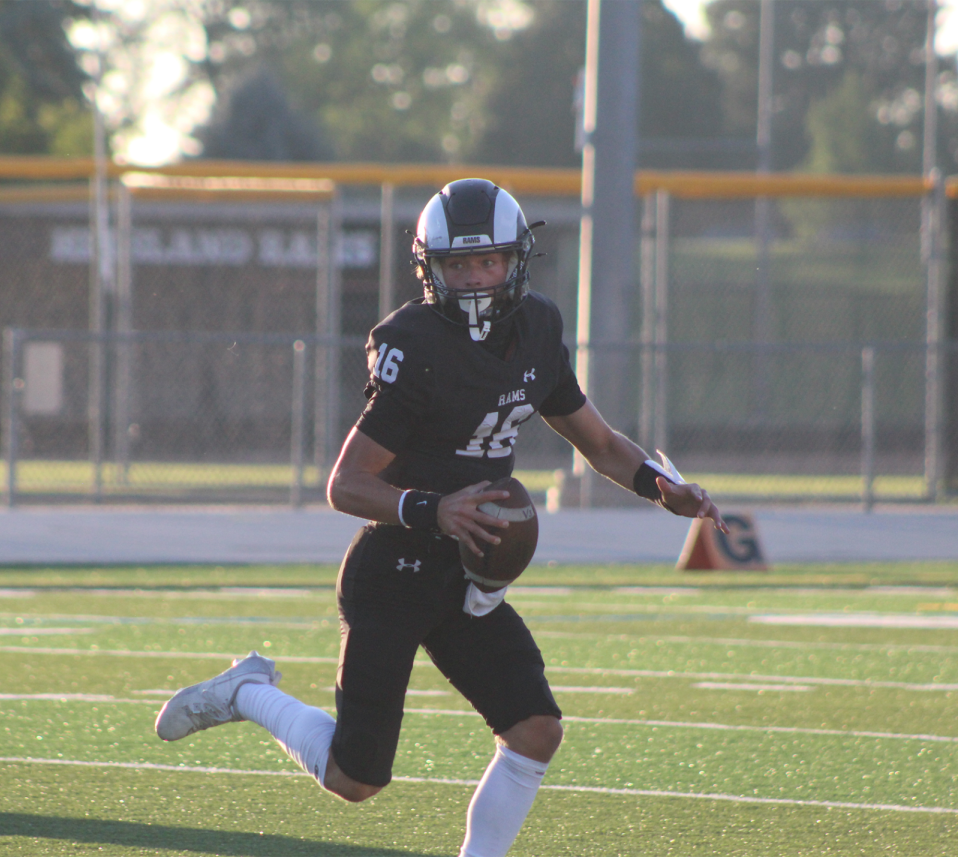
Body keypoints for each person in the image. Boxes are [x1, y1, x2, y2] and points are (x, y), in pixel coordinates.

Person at [155, 178, 727, 857]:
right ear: (432, 270)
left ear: (516, 261)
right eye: (459, 265)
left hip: (472, 573)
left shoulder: (538, 327)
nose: (476, 278)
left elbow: (598, 442)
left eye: (487, 261)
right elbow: (346, 484)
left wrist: (663, 486)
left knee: (536, 729)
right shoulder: (416, 344)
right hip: (396, 565)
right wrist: (435, 509)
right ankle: (249, 689)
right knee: (354, 777)